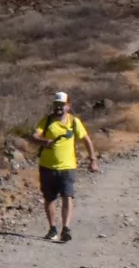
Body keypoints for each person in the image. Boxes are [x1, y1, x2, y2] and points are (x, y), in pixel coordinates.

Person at [30, 89, 99, 242]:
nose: (58, 107)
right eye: (56, 104)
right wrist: (42, 141)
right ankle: (52, 228)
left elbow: (86, 140)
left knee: (67, 195)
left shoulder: (74, 122)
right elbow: (34, 136)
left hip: (68, 167)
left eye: (62, 104)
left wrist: (92, 159)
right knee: (49, 199)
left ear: (68, 105)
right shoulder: (46, 121)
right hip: (47, 167)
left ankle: (66, 229)